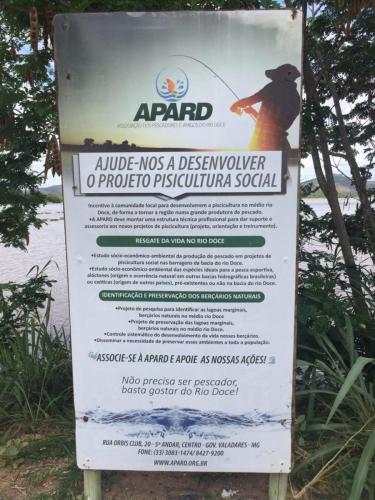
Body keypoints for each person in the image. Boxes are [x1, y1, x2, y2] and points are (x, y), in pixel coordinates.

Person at [230, 64, 301, 151]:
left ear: (283, 75)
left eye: (277, 75)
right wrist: (253, 112)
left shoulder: (275, 86)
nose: (274, 79)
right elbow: (277, 123)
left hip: (263, 141)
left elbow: (253, 99)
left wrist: (235, 105)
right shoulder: (297, 98)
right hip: (282, 142)